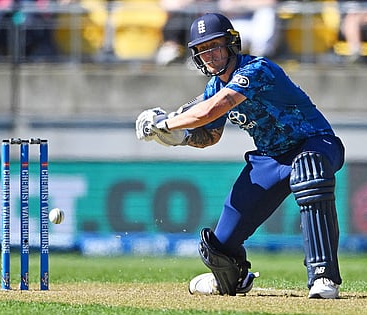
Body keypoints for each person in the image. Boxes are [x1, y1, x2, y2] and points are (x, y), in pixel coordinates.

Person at [136, 13, 345, 299]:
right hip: (270, 158)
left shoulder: (257, 69)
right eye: (201, 50)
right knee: (219, 247)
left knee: (310, 171)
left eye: (215, 46)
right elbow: (210, 135)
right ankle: (234, 279)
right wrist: (180, 138)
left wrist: (167, 123)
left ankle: (323, 277)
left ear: (232, 44)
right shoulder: (214, 86)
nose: (208, 55)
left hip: (314, 143)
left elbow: (211, 110)